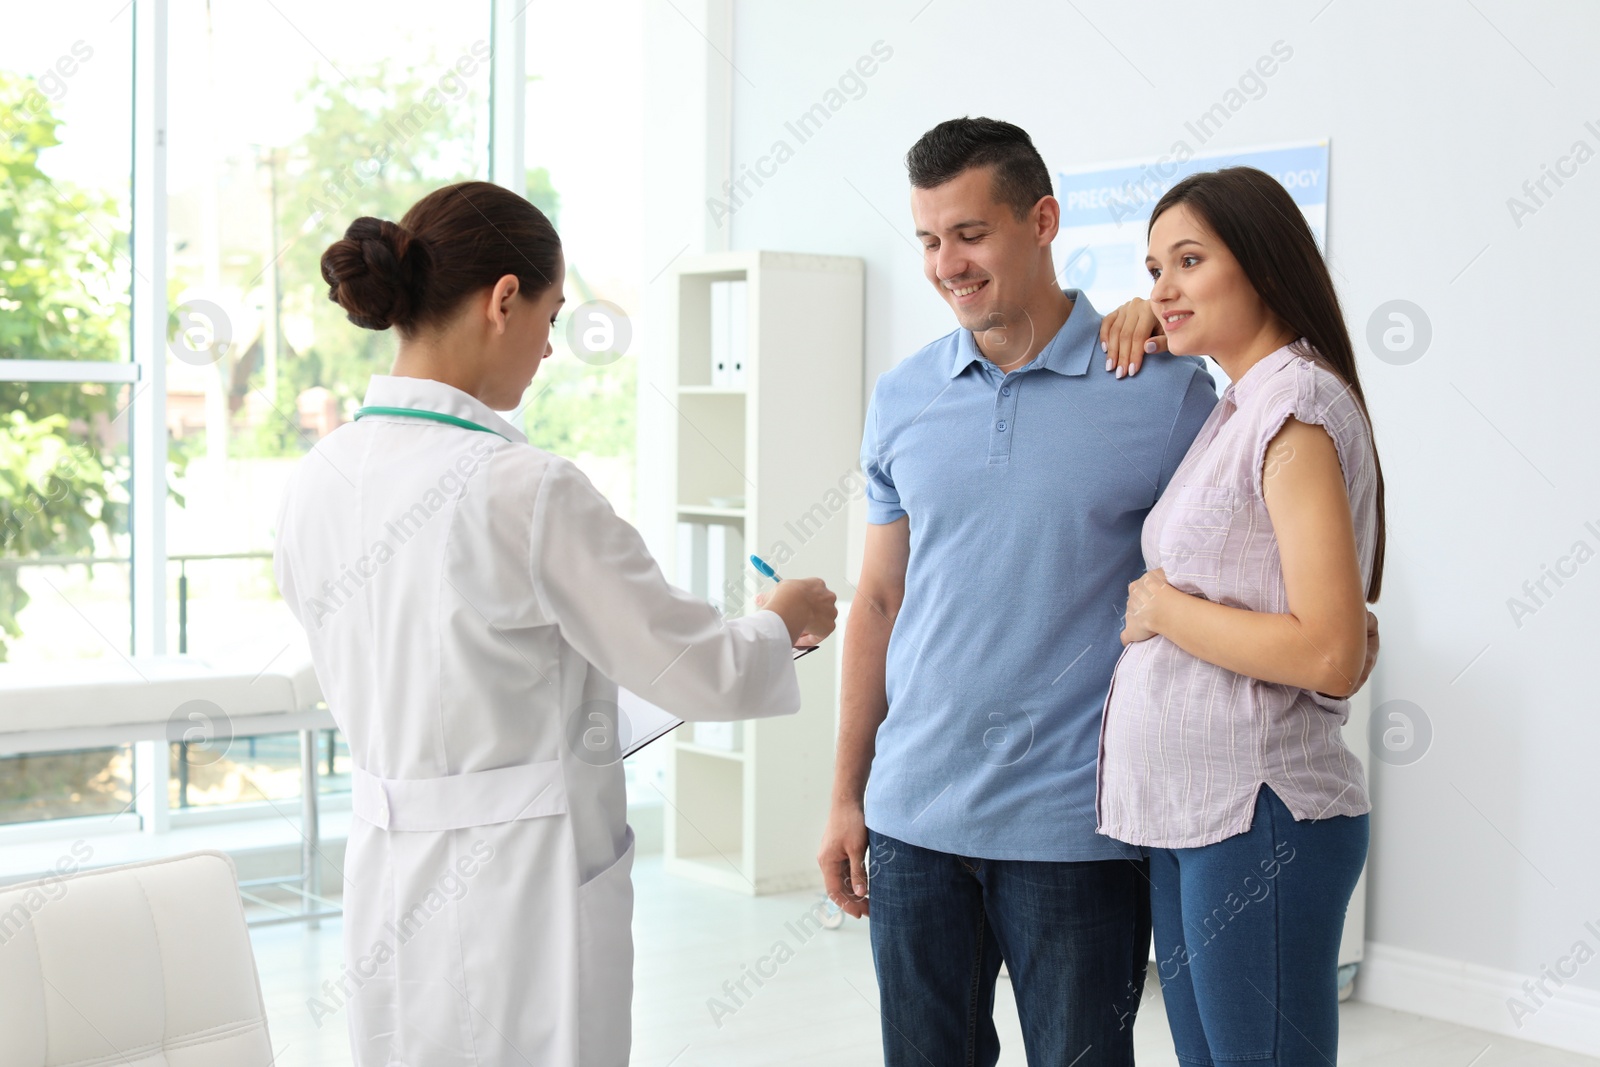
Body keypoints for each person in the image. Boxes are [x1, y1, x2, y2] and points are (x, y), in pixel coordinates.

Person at [272, 180, 836, 1067]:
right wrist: (780, 621)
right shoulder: (524, 488)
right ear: (503, 299)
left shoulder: (317, 479)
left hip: (387, 868)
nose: (546, 350)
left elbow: (467, 667)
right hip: (522, 883)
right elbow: (697, 666)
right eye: (550, 315)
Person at [816, 116, 1221, 1066]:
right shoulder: (902, 395)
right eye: (926, 239)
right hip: (913, 816)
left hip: (1074, 828)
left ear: (1041, 220)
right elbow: (877, 601)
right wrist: (847, 792)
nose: (946, 263)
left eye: (969, 233)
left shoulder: (1164, 393)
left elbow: (1223, 579)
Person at [1097, 166, 1385, 1064]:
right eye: (1153, 269)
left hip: (1259, 812)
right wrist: (1163, 311)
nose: (1162, 288)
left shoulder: (1292, 408)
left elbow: (1333, 650)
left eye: (1189, 261)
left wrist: (1164, 609)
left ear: (1259, 263)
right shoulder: (1242, 400)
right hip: (1199, 812)